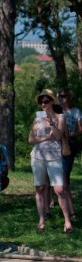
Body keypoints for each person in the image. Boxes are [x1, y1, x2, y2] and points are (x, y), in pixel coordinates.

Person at [28, 89, 72, 233]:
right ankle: (41, 220)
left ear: (52, 102)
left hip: (54, 157)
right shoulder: (37, 119)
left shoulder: (60, 117)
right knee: (40, 188)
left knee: (59, 189)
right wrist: (45, 138)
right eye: (41, 101)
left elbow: (59, 136)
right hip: (38, 156)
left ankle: (67, 221)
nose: (43, 104)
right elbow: (31, 139)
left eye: (46, 101)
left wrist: (51, 123)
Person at [58, 88, 81, 219]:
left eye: (63, 96)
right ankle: (50, 204)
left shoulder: (76, 111)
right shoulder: (57, 110)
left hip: (69, 143)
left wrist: (68, 135)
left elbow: (80, 129)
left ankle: (70, 211)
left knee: (64, 175)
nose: (61, 98)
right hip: (55, 143)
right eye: (59, 96)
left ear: (70, 97)